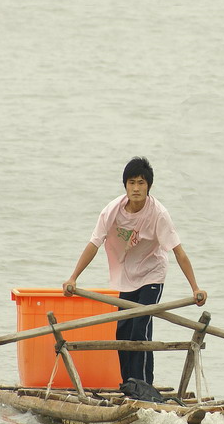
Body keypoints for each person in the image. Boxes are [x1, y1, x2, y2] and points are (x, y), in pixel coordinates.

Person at [63, 156, 206, 386]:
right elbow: (93, 244)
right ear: (125, 186)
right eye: (132, 183)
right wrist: (73, 277)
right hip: (125, 275)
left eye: (141, 183)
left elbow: (179, 252)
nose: (136, 188)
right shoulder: (112, 211)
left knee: (140, 327)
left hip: (152, 274)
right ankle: (129, 384)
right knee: (122, 331)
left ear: (149, 186)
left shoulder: (158, 214)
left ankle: (143, 385)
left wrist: (195, 287)